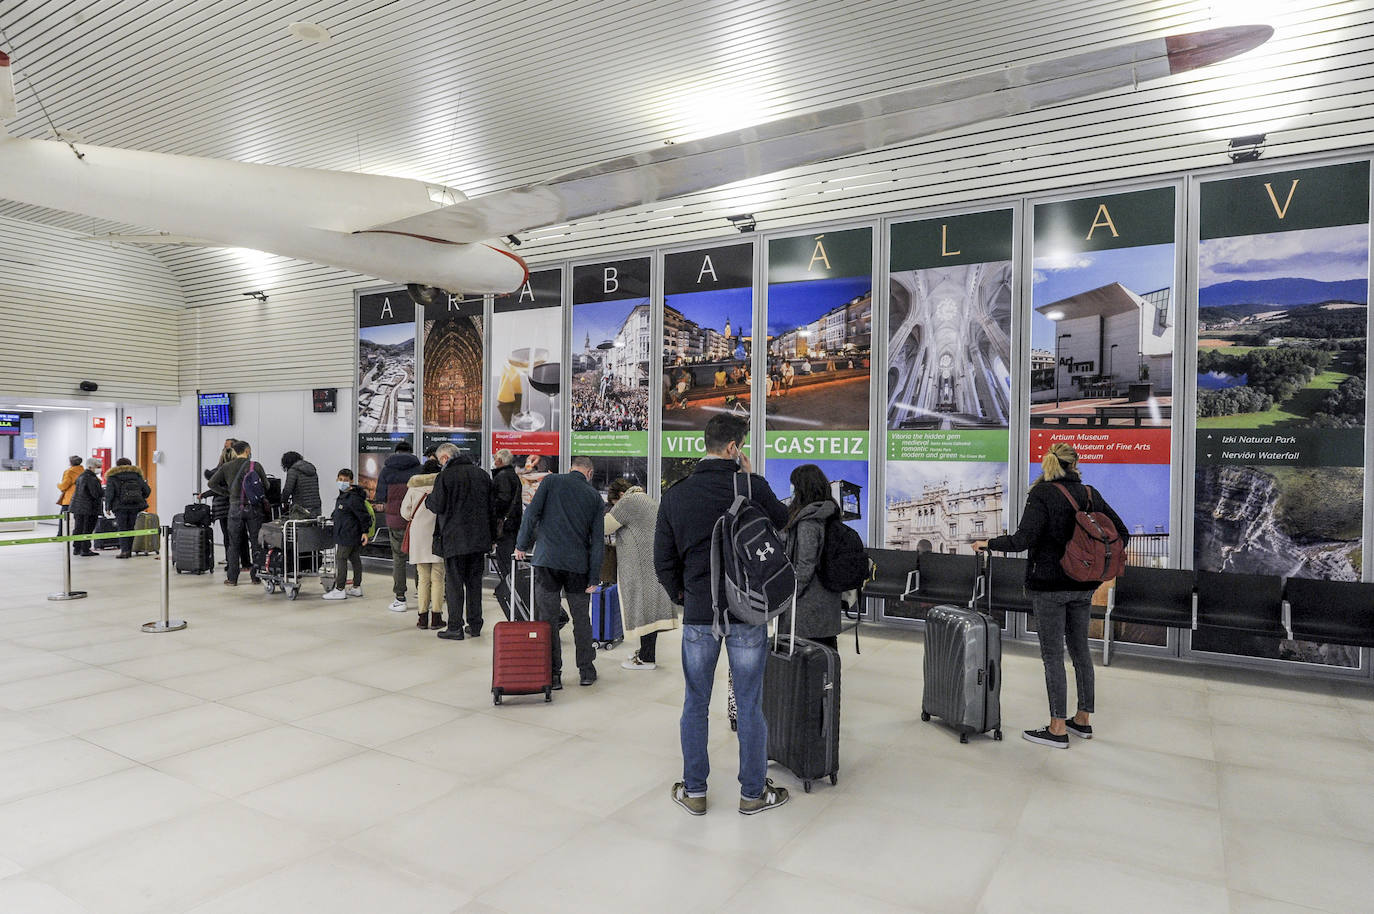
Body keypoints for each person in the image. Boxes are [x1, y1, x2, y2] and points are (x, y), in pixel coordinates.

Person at [655, 413, 790, 816]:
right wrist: (751, 477)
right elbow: (783, 527)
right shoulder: (751, 486)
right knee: (749, 704)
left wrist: (685, 594)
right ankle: (752, 794)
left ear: (706, 444)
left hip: (700, 614)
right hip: (748, 614)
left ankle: (695, 792)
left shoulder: (677, 495)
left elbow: (662, 559)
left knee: (695, 702)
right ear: (734, 448)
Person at [975, 442, 1129, 750]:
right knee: (1081, 652)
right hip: (1084, 586)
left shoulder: (1042, 494)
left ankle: (1057, 727)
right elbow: (1121, 533)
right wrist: (1085, 558)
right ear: (1075, 464)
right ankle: (1082, 720)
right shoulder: (1089, 494)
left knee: (1052, 656)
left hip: (1049, 587)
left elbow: (1022, 540)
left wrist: (987, 542)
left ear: (1048, 464)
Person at [514, 455, 605, 688]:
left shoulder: (551, 482)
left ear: (570, 468)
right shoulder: (594, 497)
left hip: (547, 562)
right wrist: (594, 577)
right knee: (581, 620)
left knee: (548, 620)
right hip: (578, 567)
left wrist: (521, 545)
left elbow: (531, 514)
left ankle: (553, 674)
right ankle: (586, 671)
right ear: (590, 473)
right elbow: (597, 542)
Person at [604, 477, 679, 672]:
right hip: (653, 564)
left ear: (620, 495)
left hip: (642, 566)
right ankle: (646, 653)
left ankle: (647, 659)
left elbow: (605, 527)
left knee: (644, 611)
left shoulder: (629, 501)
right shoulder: (646, 499)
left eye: (614, 504)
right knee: (649, 611)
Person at [428, 443, 494, 640]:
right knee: (474, 583)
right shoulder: (482, 475)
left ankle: (455, 626)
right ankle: (475, 625)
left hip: (454, 539)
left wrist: (427, 500)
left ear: (445, 458)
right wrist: (491, 538)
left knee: (455, 584)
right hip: (479, 539)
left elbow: (437, 504)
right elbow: (492, 508)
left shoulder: (445, 477)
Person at [780, 463, 844, 650]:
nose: (791, 490)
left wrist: (791, 594)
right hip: (827, 597)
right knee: (826, 653)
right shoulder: (829, 512)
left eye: (794, 485)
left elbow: (806, 564)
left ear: (802, 488)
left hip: (807, 603)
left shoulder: (808, 520)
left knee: (805, 658)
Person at [208, 441, 267, 585]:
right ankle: (256, 576)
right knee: (256, 543)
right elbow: (266, 485)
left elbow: (211, 484)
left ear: (234, 452)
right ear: (247, 451)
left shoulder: (226, 467)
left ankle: (232, 578)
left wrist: (227, 493)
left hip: (234, 508)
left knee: (233, 543)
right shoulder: (255, 466)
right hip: (253, 508)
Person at [374, 441, 422, 612]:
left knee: (398, 559)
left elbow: (380, 496)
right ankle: (422, 595)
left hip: (395, 519)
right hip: (416, 520)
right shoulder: (419, 469)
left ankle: (400, 598)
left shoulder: (387, 470)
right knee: (418, 558)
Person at [400, 458, 445, 629]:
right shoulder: (441, 487)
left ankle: (422, 617)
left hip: (418, 535)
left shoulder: (413, 487)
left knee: (423, 578)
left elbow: (404, 513)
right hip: (437, 535)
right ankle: (436, 617)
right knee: (438, 578)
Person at [324, 468, 371, 600]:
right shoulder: (343, 496)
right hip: (346, 532)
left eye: (345, 480)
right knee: (354, 558)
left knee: (341, 558)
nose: (342, 482)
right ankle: (356, 587)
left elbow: (363, 516)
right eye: (340, 479)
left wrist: (365, 532)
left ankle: (339, 589)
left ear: (351, 481)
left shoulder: (353, 497)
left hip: (349, 533)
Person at [490, 449, 523, 619]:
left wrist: (492, 512)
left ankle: (509, 587)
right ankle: (510, 586)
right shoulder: (512, 475)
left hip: (505, 525)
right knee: (507, 559)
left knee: (504, 559)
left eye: (496, 458)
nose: (493, 460)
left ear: (501, 461)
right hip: (513, 524)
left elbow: (502, 500)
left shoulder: (502, 477)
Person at [204, 442, 244, 573]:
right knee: (239, 535)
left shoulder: (220, 469)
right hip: (236, 505)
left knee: (227, 536)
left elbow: (213, 484)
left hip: (221, 506)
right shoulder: (238, 468)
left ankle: (231, 563)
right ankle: (243, 562)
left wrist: (208, 493)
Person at [103, 457, 150, 560]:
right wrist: (139, 498)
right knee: (131, 528)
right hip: (135, 506)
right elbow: (147, 490)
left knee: (122, 528)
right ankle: (129, 549)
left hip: (119, 507)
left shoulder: (113, 476)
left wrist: (108, 507)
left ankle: (124, 551)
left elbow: (109, 493)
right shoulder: (137, 476)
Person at [69, 457, 104, 557]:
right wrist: (104, 492)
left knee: (78, 528)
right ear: (90, 467)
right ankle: (85, 549)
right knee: (87, 529)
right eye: (97, 467)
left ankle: (77, 548)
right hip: (89, 508)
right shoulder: (91, 478)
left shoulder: (82, 476)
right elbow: (96, 494)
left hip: (78, 507)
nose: (99, 469)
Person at [280, 451, 322, 516]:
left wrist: (283, 500)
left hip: (301, 509)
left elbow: (287, 490)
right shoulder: (312, 469)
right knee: (314, 525)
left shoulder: (293, 470)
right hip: (316, 507)